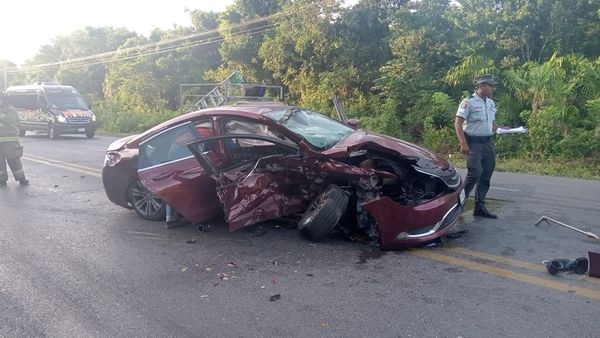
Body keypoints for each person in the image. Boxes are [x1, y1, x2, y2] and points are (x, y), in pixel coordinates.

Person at [454, 74, 503, 219]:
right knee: (475, 173)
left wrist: (504, 129)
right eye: (490, 86)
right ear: (481, 86)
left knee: (486, 175)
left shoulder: (490, 103)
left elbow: (491, 123)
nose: (492, 88)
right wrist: (463, 143)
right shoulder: (468, 102)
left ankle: (480, 206)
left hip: (488, 143)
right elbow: (458, 123)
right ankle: (458, 206)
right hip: (473, 143)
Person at [0, 93, 29, 186]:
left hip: (9, 141)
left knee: (14, 160)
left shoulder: (10, 110)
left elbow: (10, 121)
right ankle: (1, 180)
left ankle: (21, 179)